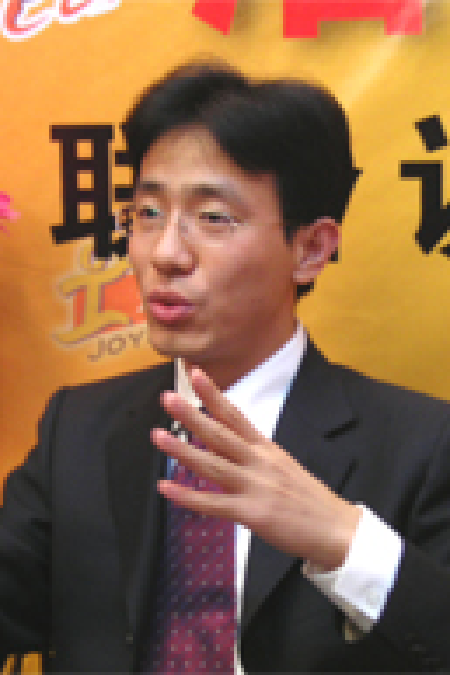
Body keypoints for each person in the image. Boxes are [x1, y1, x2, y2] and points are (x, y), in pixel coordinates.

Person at [1, 60, 450, 674]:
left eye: (213, 218)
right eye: (147, 213)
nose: (165, 254)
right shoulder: (77, 429)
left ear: (311, 249)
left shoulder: (422, 445)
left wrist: (346, 543)